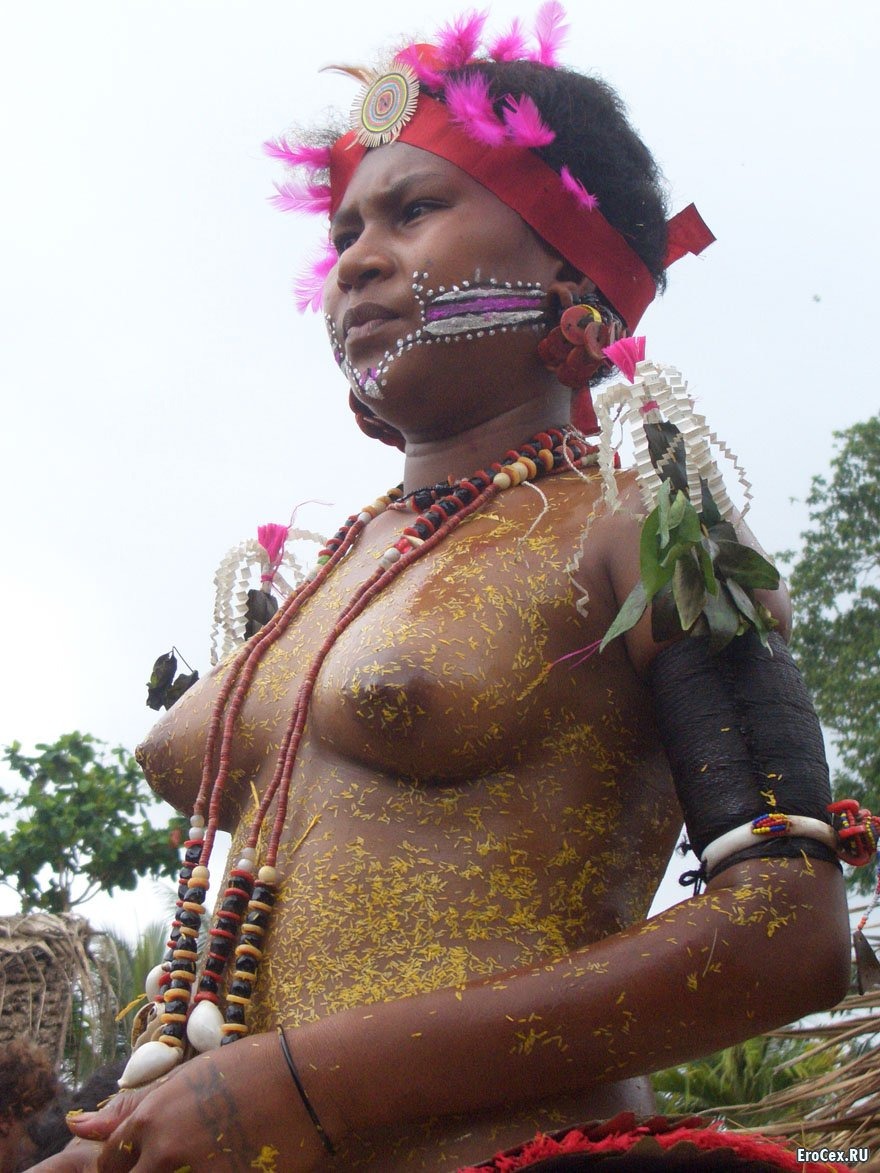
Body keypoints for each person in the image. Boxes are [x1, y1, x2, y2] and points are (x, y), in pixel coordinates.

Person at [40, 5, 855, 1170]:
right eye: (344, 233)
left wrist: (302, 1085)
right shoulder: (320, 578)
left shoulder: (647, 530)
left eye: (415, 210)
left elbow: (786, 933)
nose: (357, 260)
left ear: (572, 265)